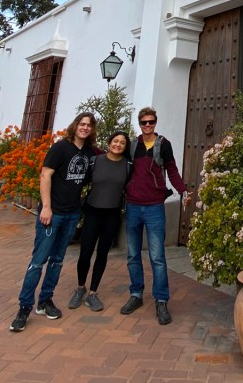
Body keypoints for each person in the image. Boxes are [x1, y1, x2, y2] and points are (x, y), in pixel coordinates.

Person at [9, 112, 97, 333]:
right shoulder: (60, 148)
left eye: (89, 125)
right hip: (53, 213)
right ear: (75, 125)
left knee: (57, 260)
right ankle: (24, 307)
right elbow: (45, 175)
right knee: (39, 260)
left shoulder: (88, 153)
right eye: (82, 124)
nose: (85, 128)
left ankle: (45, 301)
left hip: (71, 214)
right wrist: (46, 207)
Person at [119, 106, 187, 325]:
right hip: (133, 206)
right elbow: (119, 166)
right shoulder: (133, 145)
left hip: (154, 207)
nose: (147, 126)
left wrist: (182, 189)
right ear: (139, 124)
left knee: (157, 256)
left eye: (151, 122)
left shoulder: (163, 144)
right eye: (144, 122)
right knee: (132, 254)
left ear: (155, 122)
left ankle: (161, 300)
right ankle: (136, 294)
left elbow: (172, 169)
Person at [68, 129, 130, 312]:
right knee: (85, 252)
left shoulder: (128, 166)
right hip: (92, 211)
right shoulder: (96, 161)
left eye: (122, 143)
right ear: (109, 142)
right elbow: (81, 182)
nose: (118, 145)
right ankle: (80, 287)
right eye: (115, 141)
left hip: (112, 215)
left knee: (102, 254)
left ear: (125, 147)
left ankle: (93, 293)